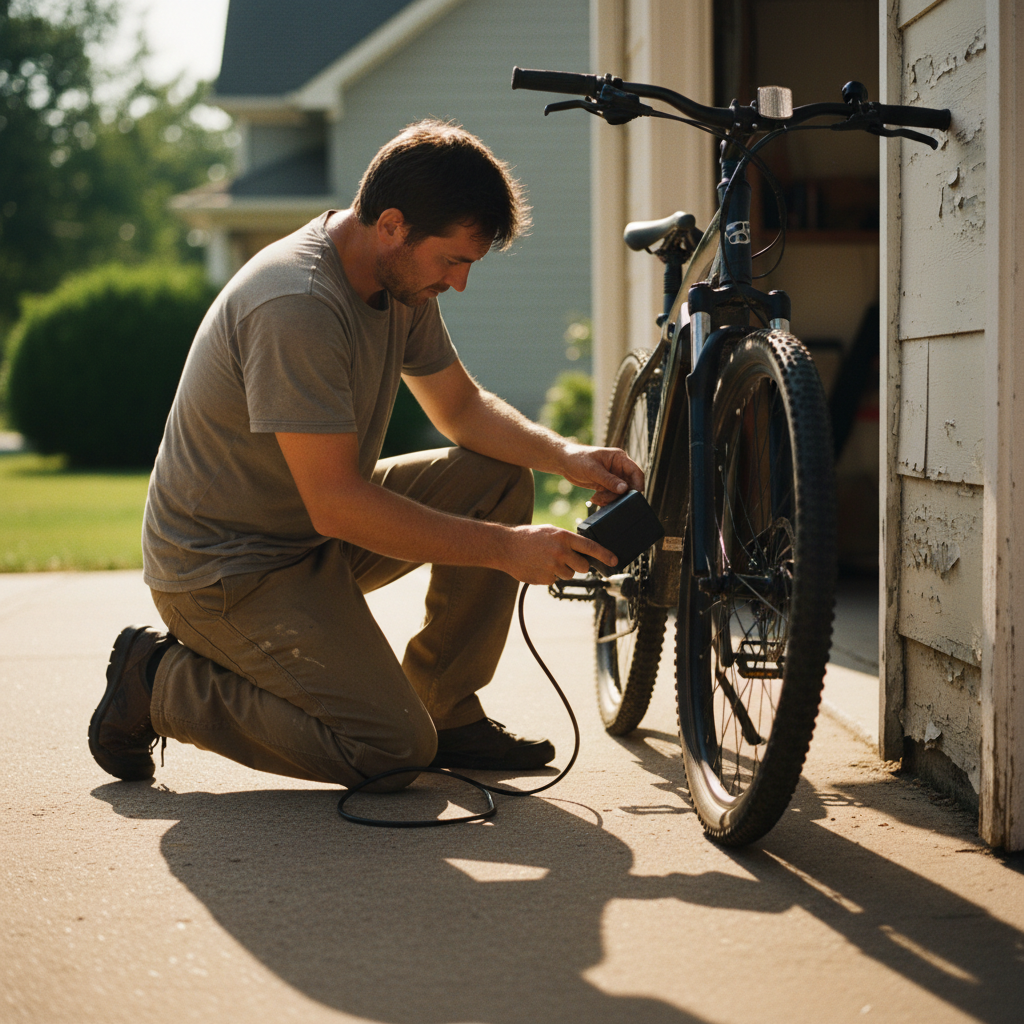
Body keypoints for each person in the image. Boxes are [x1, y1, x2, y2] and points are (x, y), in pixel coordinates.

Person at [88, 119, 642, 792]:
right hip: (223, 570)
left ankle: (449, 708)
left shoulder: (400, 282)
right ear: (391, 225)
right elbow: (338, 505)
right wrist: (504, 550)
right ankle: (159, 682)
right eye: (453, 260)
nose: (460, 283)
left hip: (302, 534)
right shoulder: (298, 303)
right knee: (389, 748)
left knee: (494, 478)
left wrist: (568, 456)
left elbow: (461, 410)